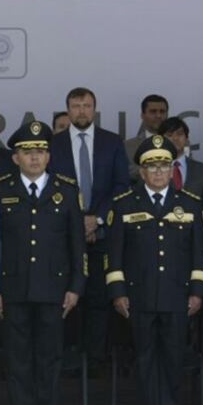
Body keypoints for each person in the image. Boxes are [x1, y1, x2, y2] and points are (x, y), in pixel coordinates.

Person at [107, 135, 203, 405]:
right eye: (152, 167)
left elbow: (199, 254)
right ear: (141, 171)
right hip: (139, 298)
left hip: (178, 298)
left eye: (165, 165)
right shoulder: (124, 205)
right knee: (146, 361)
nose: (159, 172)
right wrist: (118, 292)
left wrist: (197, 292)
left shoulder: (189, 204)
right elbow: (114, 256)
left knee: (174, 360)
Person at [0, 121, 84, 405]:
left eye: (41, 151)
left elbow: (77, 246)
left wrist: (75, 287)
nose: (34, 157)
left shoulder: (67, 190)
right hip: (12, 289)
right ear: (15, 157)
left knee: (49, 360)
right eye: (28, 152)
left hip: (54, 290)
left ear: (49, 156)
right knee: (17, 361)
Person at [49, 87, 130, 358]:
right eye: (75, 105)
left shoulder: (112, 142)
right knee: (66, 299)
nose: (81, 111)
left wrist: (96, 220)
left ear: (94, 108)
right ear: (67, 109)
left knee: (97, 299)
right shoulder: (54, 144)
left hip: (102, 233)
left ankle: (94, 362)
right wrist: (77, 224)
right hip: (64, 237)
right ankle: (68, 359)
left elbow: (121, 186)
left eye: (86, 105)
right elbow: (51, 189)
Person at [158, 117, 203, 264]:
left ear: (186, 138)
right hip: (163, 242)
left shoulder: (202, 170)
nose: (175, 139)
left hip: (196, 241)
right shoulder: (154, 171)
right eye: (169, 135)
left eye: (179, 134)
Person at [124, 94, 169, 181]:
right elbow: (126, 174)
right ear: (142, 115)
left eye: (162, 112)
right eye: (153, 111)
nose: (158, 116)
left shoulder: (178, 143)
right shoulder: (128, 146)